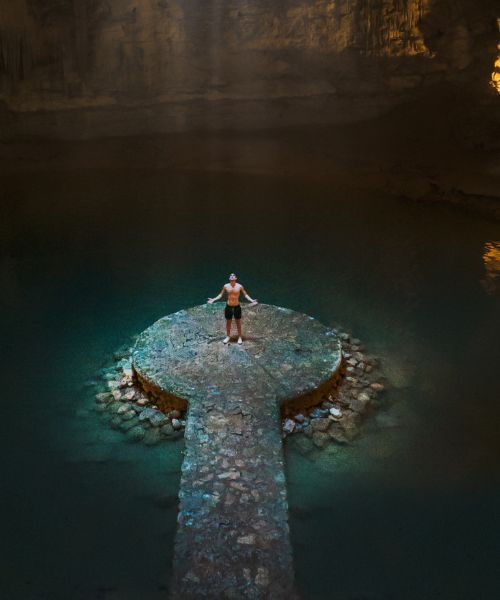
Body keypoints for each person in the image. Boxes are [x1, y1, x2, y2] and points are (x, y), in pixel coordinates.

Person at [207, 273, 258, 344]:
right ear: (229, 278)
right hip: (229, 306)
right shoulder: (226, 286)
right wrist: (213, 299)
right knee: (228, 322)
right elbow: (220, 294)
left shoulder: (239, 286)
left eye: (233, 276)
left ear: (236, 278)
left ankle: (240, 336)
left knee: (238, 322)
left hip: (237, 306)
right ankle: (228, 336)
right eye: (231, 276)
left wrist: (251, 300)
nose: (232, 276)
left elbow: (245, 294)